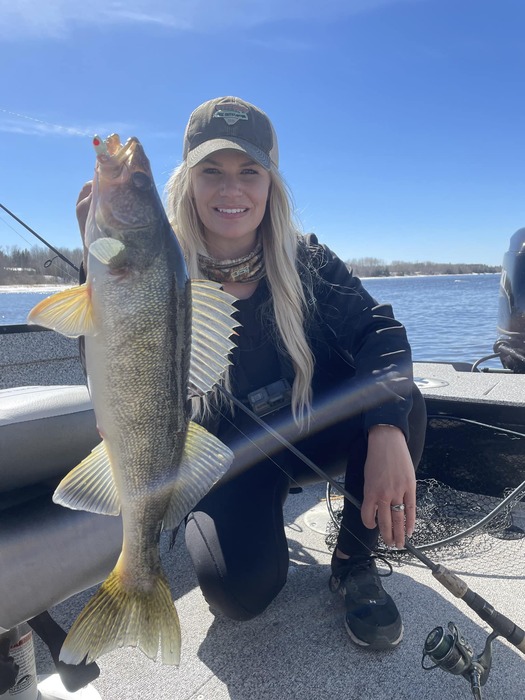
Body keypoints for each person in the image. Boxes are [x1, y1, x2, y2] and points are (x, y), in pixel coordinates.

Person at [77, 96, 426, 651]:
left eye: (249, 172)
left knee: (403, 407)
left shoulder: (306, 260)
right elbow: (110, 350)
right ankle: (172, 565)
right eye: (211, 171)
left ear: (271, 184)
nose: (230, 189)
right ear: (188, 181)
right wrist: (95, 258)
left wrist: (387, 431)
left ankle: (354, 564)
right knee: (239, 596)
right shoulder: (157, 269)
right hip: (225, 454)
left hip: (311, 427)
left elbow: (381, 334)